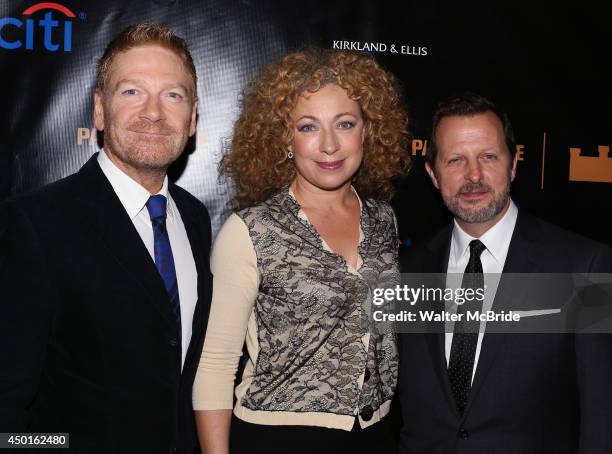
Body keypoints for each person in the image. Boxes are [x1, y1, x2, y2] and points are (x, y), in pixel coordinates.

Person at [0, 23, 212, 454]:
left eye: (173, 95)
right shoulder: (35, 224)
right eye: (131, 92)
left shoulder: (194, 217)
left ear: (191, 119)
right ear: (99, 110)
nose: (153, 112)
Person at [192, 48, 410, 454]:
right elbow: (216, 366)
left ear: (368, 131)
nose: (329, 145)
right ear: (285, 139)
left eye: (345, 124)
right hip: (277, 439)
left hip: (377, 434)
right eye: (308, 127)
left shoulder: (383, 220)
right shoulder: (250, 230)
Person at [398, 92, 612, 453]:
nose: (474, 176)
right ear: (433, 175)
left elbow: (602, 415)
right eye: (455, 160)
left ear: (513, 165)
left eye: (488, 156)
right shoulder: (407, 269)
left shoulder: (586, 266)